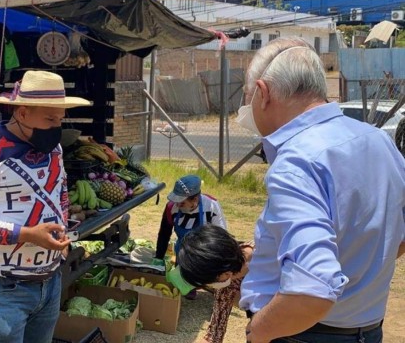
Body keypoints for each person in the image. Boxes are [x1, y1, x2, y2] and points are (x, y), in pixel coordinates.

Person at [236, 37, 405, 342]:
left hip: (303, 333)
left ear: (262, 94)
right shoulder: (377, 140)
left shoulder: (297, 161)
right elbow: (397, 234)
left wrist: (257, 332)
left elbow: (311, 289)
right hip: (366, 330)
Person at [0, 70, 91, 342]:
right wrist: (27, 235)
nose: (56, 127)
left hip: (49, 283)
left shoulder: (55, 150)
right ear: (22, 113)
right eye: (49, 118)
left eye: (59, 119)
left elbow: (59, 193)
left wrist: (64, 232)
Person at [169, 224, 254, 343]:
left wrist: (260, 323)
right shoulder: (225, 281)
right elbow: (215, 332)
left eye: (208, 283)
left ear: (225, 274)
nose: (210, 286)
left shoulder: (272, 259)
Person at [153, 174, 227, 299]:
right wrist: (159, 257)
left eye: (181, 202)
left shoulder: (211, 206)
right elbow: (164, 234)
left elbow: (221, 237)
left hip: (206, 251)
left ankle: (204, 280)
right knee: (185, 290)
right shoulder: (171, 207)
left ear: (195, 199)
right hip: (183, 253)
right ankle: (187, 282)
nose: (177, 204)